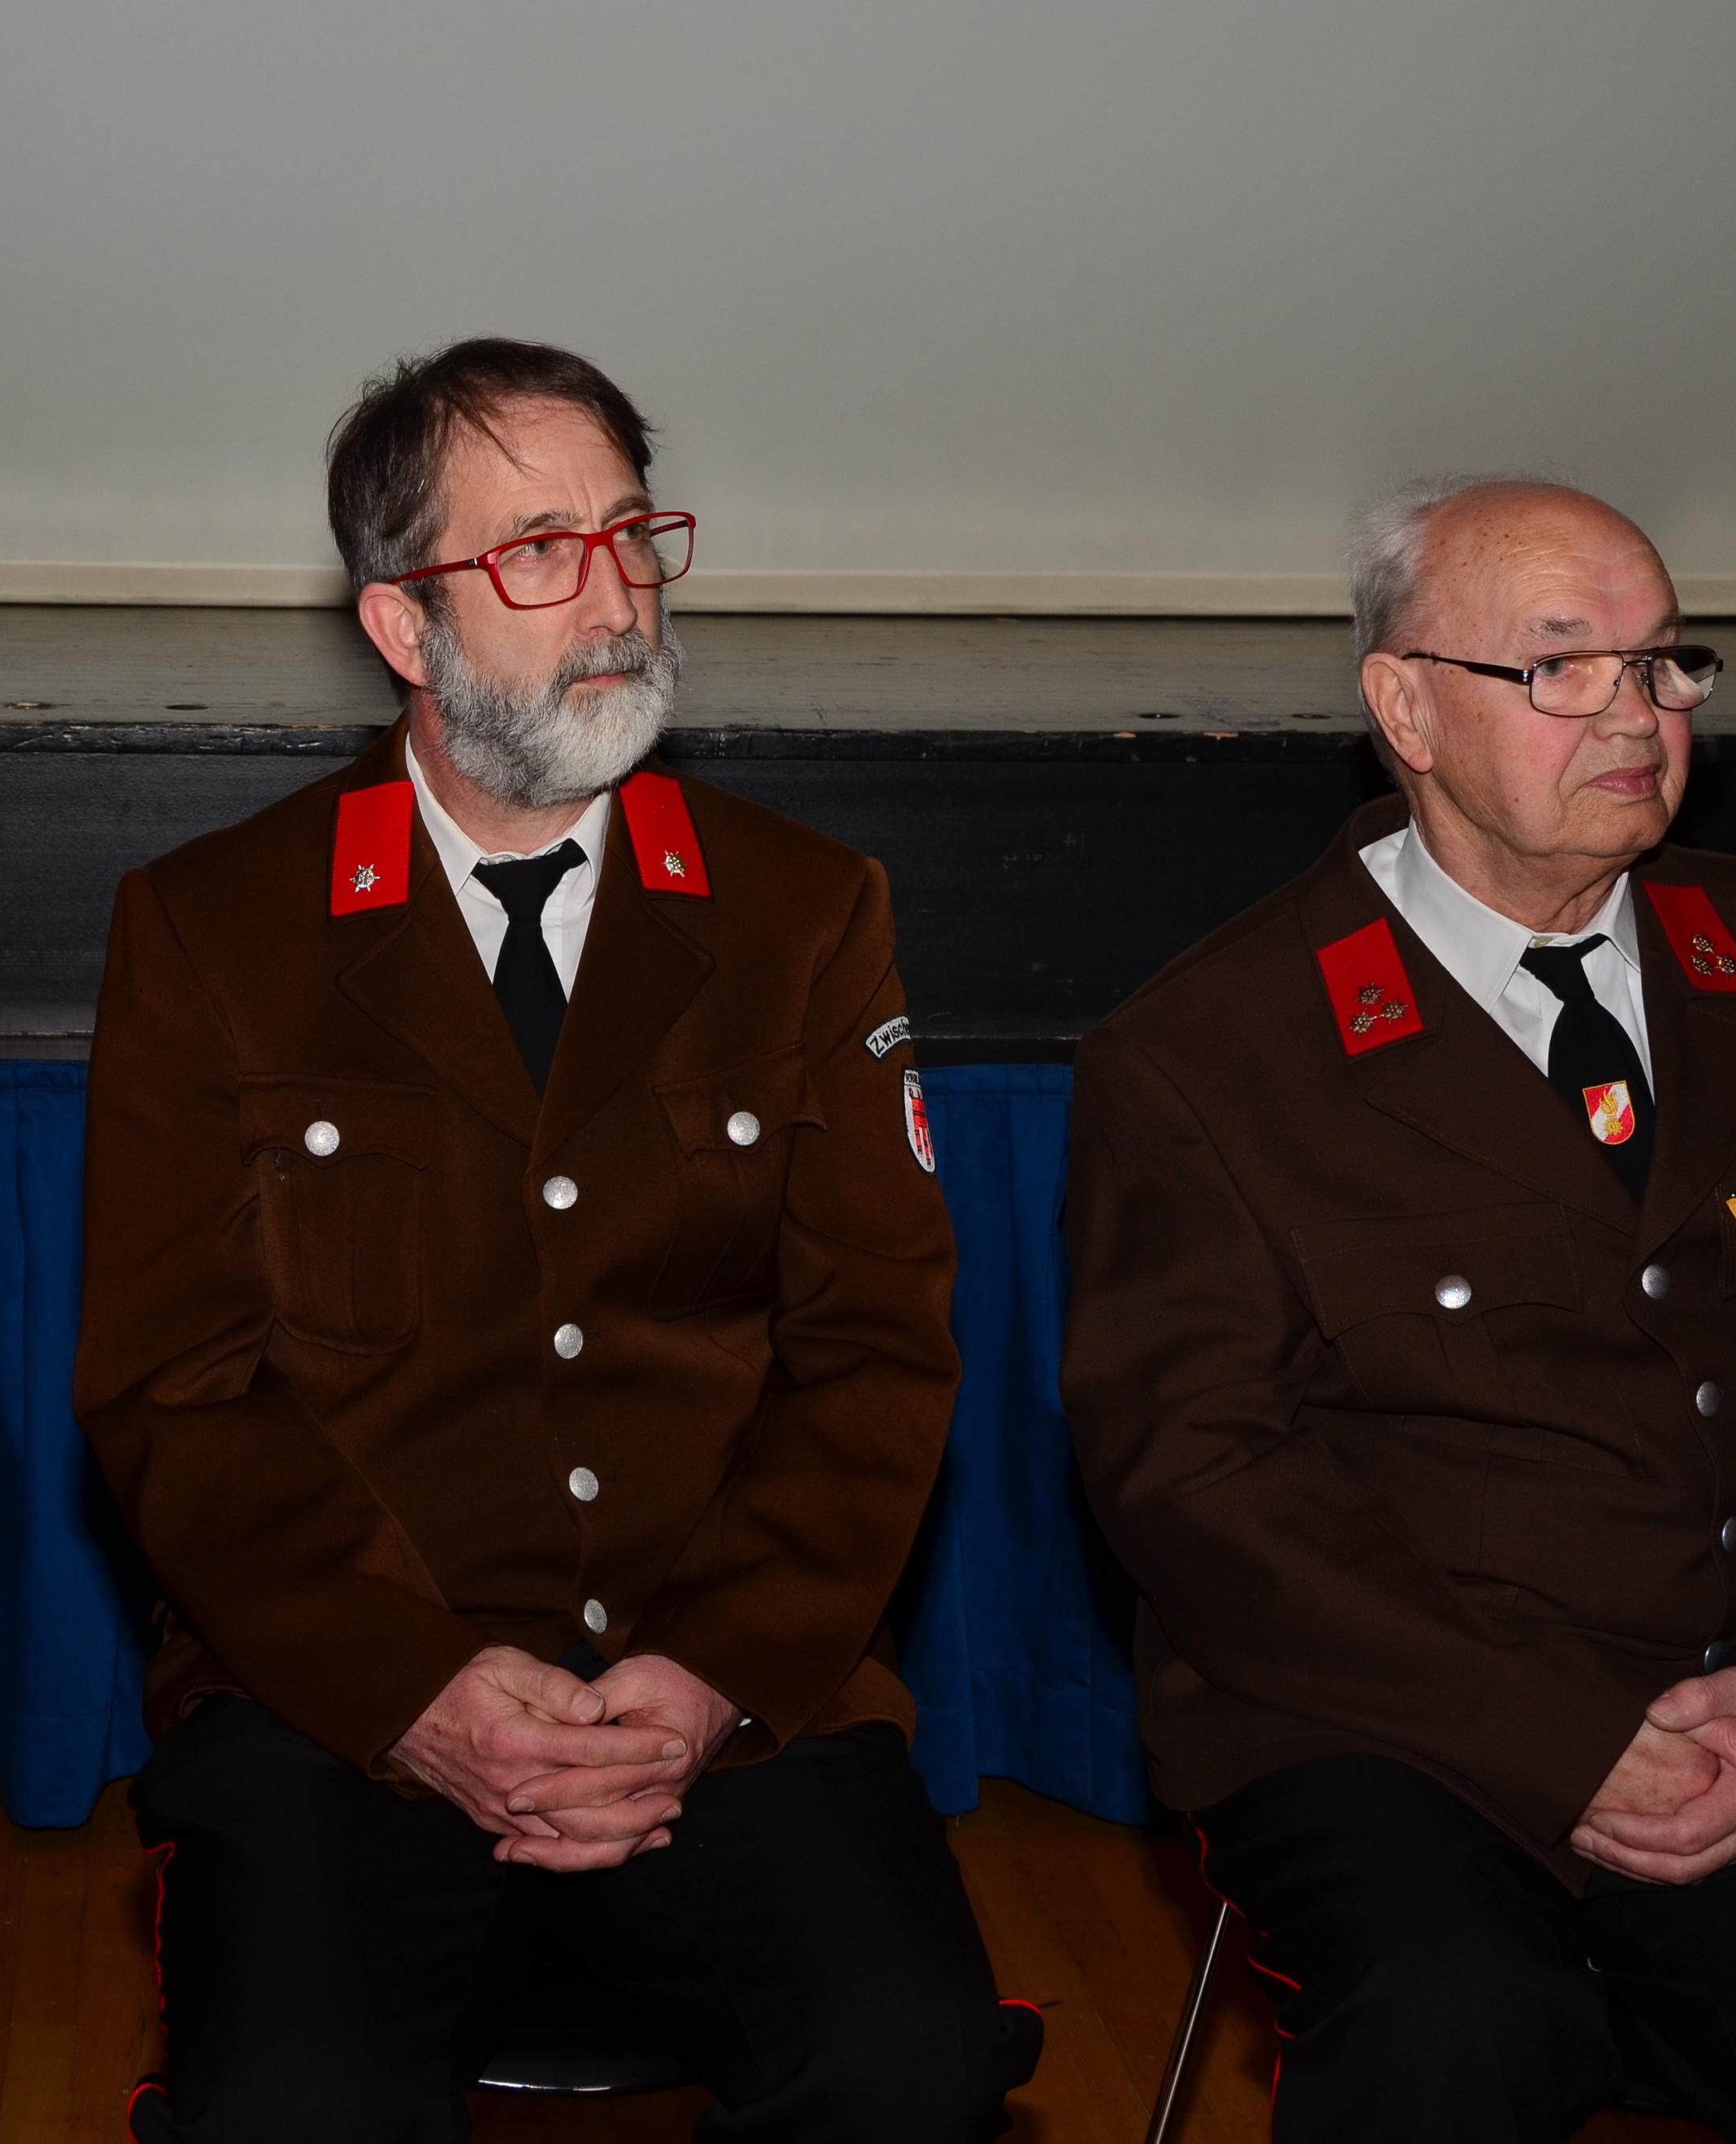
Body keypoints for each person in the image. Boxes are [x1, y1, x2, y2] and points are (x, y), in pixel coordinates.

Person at [1059, 475, 1736, 2141]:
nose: (1635, 715)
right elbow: (1194, 1479)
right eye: (1560, 667)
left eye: (1663, 662)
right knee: (1459, 2037)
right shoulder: (1208, 1052)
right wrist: (1562, 1738)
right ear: (1404, 707)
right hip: (1387, 1724)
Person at [77, 338, 1038, 2142]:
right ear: (400, 623)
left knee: (908, 2064)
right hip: (344, 1698)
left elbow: (875, 1349)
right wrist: (416, 1689)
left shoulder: (801, 912)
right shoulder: (213, 930)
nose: (613, 599)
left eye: (630, 535)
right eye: (537, 552)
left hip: (722, 1682)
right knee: (286, 2104)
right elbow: (174, 1390)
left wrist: (701, 1674)